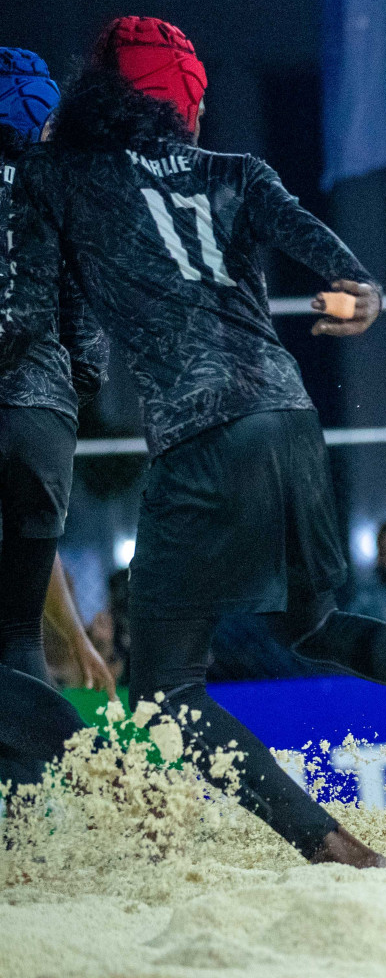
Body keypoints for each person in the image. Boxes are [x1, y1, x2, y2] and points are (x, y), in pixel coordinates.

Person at [4, 17, 386, 865]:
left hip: (198, 438)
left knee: (166, 691)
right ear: (187, 110)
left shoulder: (64, 176)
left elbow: (31, 320)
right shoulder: (236, 172)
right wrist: (355, 306)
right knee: (316, 623)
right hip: (291, 421)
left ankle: (328, 844)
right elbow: (354, 280)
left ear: (99, 97)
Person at [0, 47, 117, 798]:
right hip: (41, 419)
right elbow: (89, 337)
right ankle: (40, 817)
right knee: (16, 634)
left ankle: (88, 783)